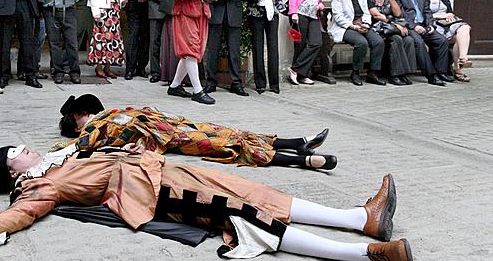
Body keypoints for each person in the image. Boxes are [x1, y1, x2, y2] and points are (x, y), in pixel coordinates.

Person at [0, 144, 412, 261]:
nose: (28, 149)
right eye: (18, 152)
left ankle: (358, 219)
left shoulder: (59, 159)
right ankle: (366, 255)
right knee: (246, 218)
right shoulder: (35, 189)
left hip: (162, 171)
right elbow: (17, 217)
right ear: (14, 172)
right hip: (153, 193)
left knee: (254, 192)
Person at [56, 93, 335, 170]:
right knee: (228, 145)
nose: (84, 117)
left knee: (232, 132)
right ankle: (303, 160)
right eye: (79, 117)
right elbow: (79, 148)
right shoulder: (91, 130)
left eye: (82, 113)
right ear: (76, 120)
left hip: (175, 123)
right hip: (170, 136)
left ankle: (297, 143)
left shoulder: (110, 113)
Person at [164, 0, 222, 105]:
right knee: (191, 51)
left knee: (193, 52)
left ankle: (174, 86)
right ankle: (198, 90)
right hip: (185, 12)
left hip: (202, 11)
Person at [34, 0, 84, 84]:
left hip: (68, 10)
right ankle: (58, 72)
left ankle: (74, 72)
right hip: (51, 11)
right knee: (54, 43)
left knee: (72, 43)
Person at [206, 0, 249, 96]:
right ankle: (211, 82)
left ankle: (236, 83)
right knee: (213, 49)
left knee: (234, 50)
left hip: (233, 13)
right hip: (216, 12)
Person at [393, 0, 451, 86]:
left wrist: (430, 26)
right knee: (419, 43)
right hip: (409, 27)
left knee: (442, 41)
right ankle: (431, 75)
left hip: (424, 26)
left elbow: (427, 13)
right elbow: (401, 15)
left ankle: (441, 72)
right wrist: (414, 26)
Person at [328, 0, 386, 86]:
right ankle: (355, 72)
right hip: (345, 27)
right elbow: (338, 17)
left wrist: (366, 25)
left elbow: (367, 13)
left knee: (378, 41)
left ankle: (372, 73)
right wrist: (353, 26)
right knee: (361, 42)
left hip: (362, 26)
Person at [366, 0, 416, 86]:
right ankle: (394, 75)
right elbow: (377, 15)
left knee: (409, 40)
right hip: (377, 29)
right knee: (396, 39)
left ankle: (404, 73)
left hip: (390, 28)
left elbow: (398, 13)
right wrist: (395, 25)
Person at [247, 0, 282, 94]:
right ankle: (260, 84)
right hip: (256, 13)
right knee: (258, 47)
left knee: (273, 47)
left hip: (272, 13)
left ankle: (274, 84)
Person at [424, 0, 472, 82]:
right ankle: (458, 70)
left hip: (448, 24)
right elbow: (422, 16)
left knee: (465, 28)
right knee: (458, 40)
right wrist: (438, 16)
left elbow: (450, 12)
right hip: (434, 25)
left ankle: (462, 58)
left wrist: (449, 14)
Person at [287, 0, 327, 86]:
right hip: (300, 13)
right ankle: (302, 75)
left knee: (316, 43)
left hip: (314, 15)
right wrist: (293, 12)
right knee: (301, 45)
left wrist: (320, 4)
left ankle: (295, 69)